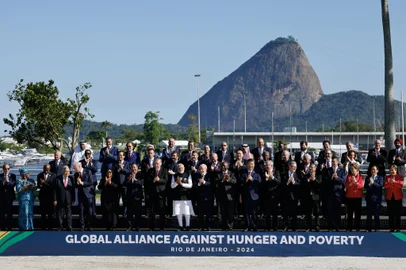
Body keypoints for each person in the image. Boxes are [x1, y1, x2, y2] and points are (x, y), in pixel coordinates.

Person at [171, 163, 194, 231]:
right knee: (178, 212)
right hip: (177, 195)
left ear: (184, 167)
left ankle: (187, 225)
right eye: (179, 167)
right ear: (177, 168)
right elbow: (172, 186)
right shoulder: (174, 175)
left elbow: (190, 185)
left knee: (187, 212)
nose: (180, 168)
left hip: (186, 196)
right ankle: (180, 226)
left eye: (182, 167)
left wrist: (181, 184)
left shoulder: (188, 174)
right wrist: (177, 183)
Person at [240, 159, 261, 231]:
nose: (250, 165)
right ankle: (247, 226)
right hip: (245, 196)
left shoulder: (257, 174)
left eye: (252, 164)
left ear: (254, 165)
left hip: (254, 196)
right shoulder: (243, 174)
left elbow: (259, 184)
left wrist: (252, 180)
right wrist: (246, 180)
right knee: (246, 212)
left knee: (254, 212)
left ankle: (254, 226)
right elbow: (241, 185)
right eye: (249, 164)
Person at [146, 158, 168, 231]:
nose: (156, 165)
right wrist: (153, 180)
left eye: (157, 163)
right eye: (155, 163)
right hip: (152, 194)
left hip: (161, 194)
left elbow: (166, 180)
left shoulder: (164, 170)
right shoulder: (150, 170)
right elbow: (147, 181)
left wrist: (159, 180)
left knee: (162, 211)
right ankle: (152, 227)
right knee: (152, 212)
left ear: (161, 164)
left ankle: (162, 227)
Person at [325, 157, 346, 231]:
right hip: (330, 194)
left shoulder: (342, 170)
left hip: (338, 194)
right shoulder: (328, 170)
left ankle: (337, 226)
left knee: (337, 211)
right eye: (332, 161)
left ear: (337, 162)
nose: (333, 163)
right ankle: (330, 227)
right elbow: (326, 181)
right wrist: (331, 178)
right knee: (330, 211)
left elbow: (343, 181)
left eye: (334, 161)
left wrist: (337, 178)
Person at [73, 162, 95, 231]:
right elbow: (75, 186)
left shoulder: (88, 171)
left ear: (80, 166)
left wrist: (82, 183)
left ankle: (89, 225)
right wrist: (77, 183)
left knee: (89, 211)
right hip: (81, 195)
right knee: (81, 211)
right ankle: (82, 226)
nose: (74, 170)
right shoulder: (76, 174)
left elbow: (91, 182)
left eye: (75, 168)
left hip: (88, 194)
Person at [280, 160, 300, 231]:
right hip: (285, 197)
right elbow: (280, 185)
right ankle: (285, 226)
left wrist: (294, 182)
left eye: (295, 167)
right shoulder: (283, 174)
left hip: (294, 197)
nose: (294, 168)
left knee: (294, 213)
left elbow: (299, 184)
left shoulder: (297, 174)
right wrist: (287, 182)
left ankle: (294, 227)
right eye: (293, 167)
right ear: (289, 167)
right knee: (285, 213)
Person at [260, 160, 280, 231]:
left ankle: (275, 227)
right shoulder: (263, 173)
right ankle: (267, 227)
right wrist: (266, 178)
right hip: (266, 196)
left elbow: (279, 182)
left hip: (274, 196)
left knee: (275, 213)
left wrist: (272, 177)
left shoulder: (276, 172)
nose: (266, 166)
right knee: (267, 213)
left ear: (271, 166)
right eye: (265, 165)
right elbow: (261, 184)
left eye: (267, 165)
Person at [54, 166, 75, 231]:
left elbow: (73, 190)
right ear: (63, 171)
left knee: (69, 214)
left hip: (69, 199)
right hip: (60, 199)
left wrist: (73, 199)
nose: (67, 173)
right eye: (66, 171)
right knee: (60, 214)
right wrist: (55, 199)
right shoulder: (58, 179)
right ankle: (60, 226)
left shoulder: (71, 178)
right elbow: (55, 190)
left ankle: (69, 226)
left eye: (68, 171)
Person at [217, 162, 237, 231]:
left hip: (230, 196)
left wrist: (228, 179)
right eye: (222, 166)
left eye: (225, 166)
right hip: (221, 196)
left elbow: (235, 182)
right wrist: (223, 179)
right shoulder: (218, 174)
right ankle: (224, 226)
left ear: (228, 166)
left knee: (230, 213)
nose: (223, 167)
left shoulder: (232, 173)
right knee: (223, 213)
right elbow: (216, 184)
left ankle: (230, 227)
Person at [193, 164, 213, 231]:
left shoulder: (210, 175)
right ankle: (200, 226)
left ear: (206, 169)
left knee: (209, 213)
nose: (201, 170)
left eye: (202, 168)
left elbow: (211, 184)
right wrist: (199, 183)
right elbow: (195, 185)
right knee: (200, 213)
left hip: (208, 197)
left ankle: (208, 226)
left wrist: (204, 182)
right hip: (200, 197)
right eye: (200, 168)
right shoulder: (197, 176)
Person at [124, 164, 144, 231]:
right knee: (129, 213)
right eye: (132, 167)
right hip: (130, 197)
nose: (133, 169)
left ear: (137, 168)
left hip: (137, 197)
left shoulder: (140, 174)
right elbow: (125, 184)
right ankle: (130, 226)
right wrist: (128, 180)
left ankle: (138, 226)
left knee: (138, 213)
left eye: (135, 167)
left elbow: (141, 183)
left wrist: (135, 179)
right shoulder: (128, 174)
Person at [345, 163, 364, 232]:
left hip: (357, 197)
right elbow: (346, 186)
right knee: (349, 213)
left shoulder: (361, 177)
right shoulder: (348, 177)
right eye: (351, 169)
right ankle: (349, 227)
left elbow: (361, 186)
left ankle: (357, 227)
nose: (352, 170)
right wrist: (351, 183)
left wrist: (355, 182)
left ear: (357, 170)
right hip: (349, 197)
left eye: (353, 169)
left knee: (357, 213)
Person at [384, 164, 404, 232]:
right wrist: (390, 183)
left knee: (398, 214)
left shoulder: (400, 177)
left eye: (393, 170)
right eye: (390, 170)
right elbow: (385, 185)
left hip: (398, 197)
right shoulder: (387, 177)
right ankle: (391, 228)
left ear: (396, 170)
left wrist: (394, 182)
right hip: (390, 197)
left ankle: (398, 228)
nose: (391, 171)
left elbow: (400, 185)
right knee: (391, 213)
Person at [302, 163, 321, 232]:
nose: (311, 169)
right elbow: (303, 185)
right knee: (308, 213)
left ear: (315, 168)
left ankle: (317, 226)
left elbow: (320, 185)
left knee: (316, 212)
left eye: (312, 167)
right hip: (307, 197)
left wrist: (314, 179)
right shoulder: (306, 176)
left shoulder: (318, 175)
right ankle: (309, 226)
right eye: (310, 167)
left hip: (315, 197)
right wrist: (309, 180)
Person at [37, 164, 56, 230]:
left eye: (47, 170)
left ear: (50, 169)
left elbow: (53, 186)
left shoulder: (53, 175)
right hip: (43, 197)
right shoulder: (40, 175)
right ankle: (43, 227)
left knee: (50, 214)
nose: (46, 171)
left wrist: (44, 182)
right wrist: (40, 184)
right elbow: (38, 186)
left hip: (50, 197)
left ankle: (50, 227)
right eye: (45, 169)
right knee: (43, 213)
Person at [364, 165, 383, 232]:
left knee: (376, 214)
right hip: (369, 198)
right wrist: (369, 183)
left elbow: (380, 186)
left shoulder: (380, 177)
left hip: (377, 199)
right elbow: (365, 187)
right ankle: (368, 228)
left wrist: (373, 183)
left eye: (374, 169)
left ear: (377, 171)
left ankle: (376, 228)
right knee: (369, 214)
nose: (373, 171)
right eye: (372, 169)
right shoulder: (368, 178)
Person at [112, 151, 130, 217]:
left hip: (124, 185)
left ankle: (124, 214)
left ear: (124, 156)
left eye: (122, 155)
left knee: (125, 201)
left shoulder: (127, 163)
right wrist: (118, 170)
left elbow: (129, 172)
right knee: (116, 201)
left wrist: (123, 169)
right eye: (119, 155)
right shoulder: (115, 164)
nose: (120, 156)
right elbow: (112, 174)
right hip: (117, 185)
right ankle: (116, 215)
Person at [0, 163, 16, 230]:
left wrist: (8, 181)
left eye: (8, 168)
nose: (7, 170)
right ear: (3, 169)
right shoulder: (0, 176)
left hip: (9, 197)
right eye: (5, 169)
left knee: (9, 213)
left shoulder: (13, 175)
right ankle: (2, 228)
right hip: (1, 197)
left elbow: (13, 184)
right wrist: (4, 181)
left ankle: (10, 227)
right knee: (1, 213)